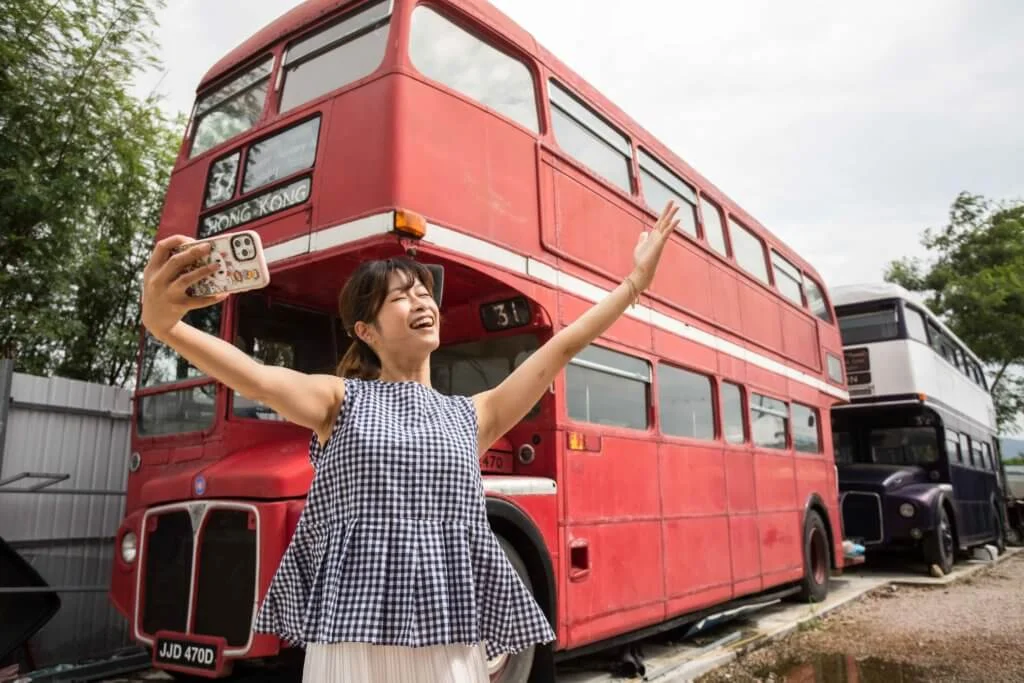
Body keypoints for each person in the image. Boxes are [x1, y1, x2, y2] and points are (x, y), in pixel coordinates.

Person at [139, 200, 681, 682]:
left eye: (423, 292)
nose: (421, 300)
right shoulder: (338, 399)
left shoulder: (473, 414)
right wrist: (168, 328)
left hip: (449, 638)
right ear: (366, 331)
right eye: (400, 296)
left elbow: (560, 348)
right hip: (352, 643)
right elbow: (256, 377)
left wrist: (633, 284)